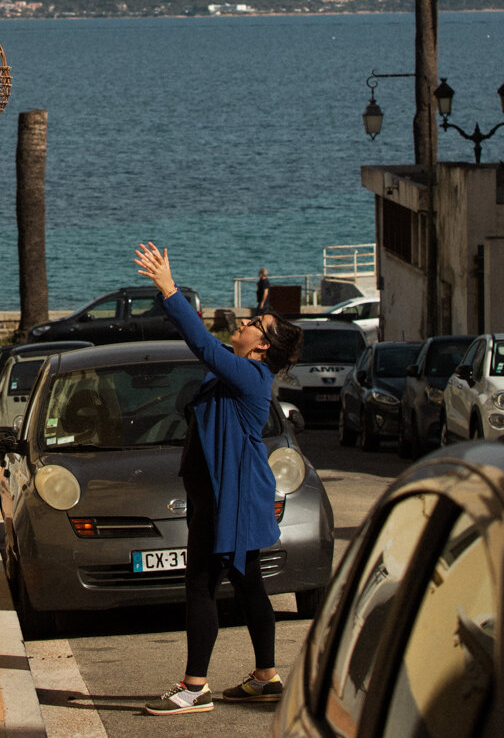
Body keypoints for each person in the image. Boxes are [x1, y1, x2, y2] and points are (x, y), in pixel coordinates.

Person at [133, 241, 303, 715]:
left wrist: (168, 289)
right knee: (249, 584)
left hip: (229, 497)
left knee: (201, 585)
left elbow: (203, 345)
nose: (245, 324)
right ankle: (266, 678)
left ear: (263, 347)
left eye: (255, 325)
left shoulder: (251, 375)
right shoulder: (238, 375)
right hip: (231, 492)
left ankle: (194, 687)